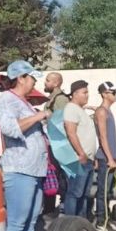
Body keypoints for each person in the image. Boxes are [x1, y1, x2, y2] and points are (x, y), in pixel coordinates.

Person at [0, 60, 50, 231]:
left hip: (35, 168)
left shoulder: (24, 102)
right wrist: (39, 117)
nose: (35, 81)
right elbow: (9, 128)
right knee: (17, 219)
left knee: (32, 217)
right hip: (18, 168)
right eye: (32, 77)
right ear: (21, 78)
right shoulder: (6, 100)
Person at [93, 81, 116, 231]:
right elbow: (103, 137)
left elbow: (112, 138)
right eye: (112, 92)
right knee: (103, 191)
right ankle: (101, 222)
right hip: (105, 158)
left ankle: (108, 219)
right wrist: (109, 158)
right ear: (104, 94)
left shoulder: (107, 111)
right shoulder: (101, 112)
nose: (115, 95)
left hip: (111, 157)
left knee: (109, 191)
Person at [62, 80, 97, 218]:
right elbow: (71, 132)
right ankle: (70, 224)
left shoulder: (80, 111)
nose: (87, 95)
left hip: (87, 159)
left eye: (87, 92)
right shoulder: (71, 109)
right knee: (75, 193)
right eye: (84, 92)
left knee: (83, 194)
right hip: (79, 159)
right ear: (75, 94)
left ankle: (80, 224)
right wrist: (81, 153)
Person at [43, 72, 70, 216]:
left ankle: (63, 209)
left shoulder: (60, 99)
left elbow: (63, 122)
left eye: (47, 81)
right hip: (53, 144)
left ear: (56, 83)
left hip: (60, 145)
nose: (45, 83)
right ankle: (50, 210)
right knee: (53, 176)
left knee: (61, 178)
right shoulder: (52, 99)